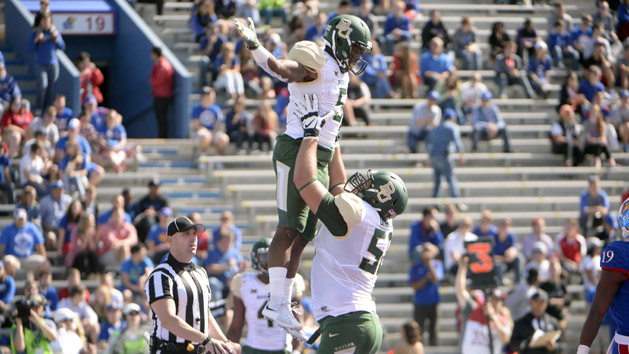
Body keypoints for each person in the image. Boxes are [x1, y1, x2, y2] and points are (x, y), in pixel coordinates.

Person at [234, 14, 373, 330]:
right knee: (287, 229)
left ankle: (281, 302)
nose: (356, 58)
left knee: (305, 234)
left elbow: (333, 135)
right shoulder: (316, 61)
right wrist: (255, 45)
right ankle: (277, 302)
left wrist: (340, 182)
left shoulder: (342, 74)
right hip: (296, 148)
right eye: (354, 50)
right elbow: (280, 70)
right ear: (339, 40)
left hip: (320, 154)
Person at [292, 97, 408, 351]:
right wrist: (333, 140)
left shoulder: (357, 215)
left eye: (367, 186)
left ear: (378, 195)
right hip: (358, 321)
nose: (360, 187)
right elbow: (338, 188)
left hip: (347, 323)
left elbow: (303, 179)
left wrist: (311, 135)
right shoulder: (376, 220)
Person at [145, 216, 240, 354]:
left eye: (194, 233)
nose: (193, 238)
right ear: (170, 240)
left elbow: (205, 314)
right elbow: (168, 320)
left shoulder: (200, 272)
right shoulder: (161, 275)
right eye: (185, 234)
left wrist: (226, 345)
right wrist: (206, 340)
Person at [226, 238, 306, 352]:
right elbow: (236, 327)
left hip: (282, 349)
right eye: (265, 258)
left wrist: (297, 351)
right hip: (253, 348)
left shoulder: (291, 282)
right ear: (255, 259)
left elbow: (298, 325)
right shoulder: (244, 283)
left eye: (275, 258)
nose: (270, 263)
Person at [456, 257, 513, 354]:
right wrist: (462, 267)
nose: (495, 303)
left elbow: (505, 338)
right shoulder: (474, 309)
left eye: (498, 300)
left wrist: (493, 317)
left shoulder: (503, 319)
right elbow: (460, 291)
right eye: (492, 299)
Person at [27, 12, 65, 112]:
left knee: (51, 89)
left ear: (50, 22)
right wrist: (36, 39)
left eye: (47, 21)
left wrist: (56, 39)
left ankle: (47, 109)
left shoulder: (54, 32)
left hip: (53, 65)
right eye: (43, 21)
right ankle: (39, 108)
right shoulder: (36, 33)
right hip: (41, 64)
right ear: (40, 22)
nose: (45, 23)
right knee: (43, 85)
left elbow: (62, 46)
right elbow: (29, 48)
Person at [427, 108, 465, 199]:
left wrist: (429, 158)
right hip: (444, 155)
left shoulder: (437, 128)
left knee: (437, 181)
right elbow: (457, 141)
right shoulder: (452, 127)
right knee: (451, 179)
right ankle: (456, 201)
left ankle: (435, 202)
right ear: (452, 118)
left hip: (434, 156)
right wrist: (462, 154)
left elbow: (429, 143)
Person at [409, 243, 442, 346]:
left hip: (434, 301)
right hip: (420, 302)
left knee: (434, 329)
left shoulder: (437, 263)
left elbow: (436, 279)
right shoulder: (415, 266)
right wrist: (425, 279)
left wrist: (430, 265)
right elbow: (413, 285)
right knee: (419, 330)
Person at [0, 208, 46, 272]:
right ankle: (9, 281)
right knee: (8, 262)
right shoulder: (7, 230)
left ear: (26, 218)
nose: (20, 220)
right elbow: (1, 248)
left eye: (22, 218)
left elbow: (40, 246)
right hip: (13, 258)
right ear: (14, 219)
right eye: (18, 218)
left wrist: (44, 259)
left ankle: (35, 281)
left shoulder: (32, 228)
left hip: (28, 258)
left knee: (45, 264)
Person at [133, 177, 168, 243]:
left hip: (159, 222)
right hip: (144, 223)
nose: (155, 189)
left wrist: (155, 213)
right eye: (153, 187)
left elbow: (166, 213)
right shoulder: (143, 200)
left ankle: (151, 242)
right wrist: (145, 213)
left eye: (156, 187)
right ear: (149, 188)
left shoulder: (163, 200)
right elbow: (138, 214)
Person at [149, 47, 173, 139]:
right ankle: (161, 137)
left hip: (163, 97)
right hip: (160, 95)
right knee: (160, 119)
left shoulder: (163, 66)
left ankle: (163, 138)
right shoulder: (159, 64)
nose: (150, 56)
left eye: (152, 53)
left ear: (155, 54)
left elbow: (155, 81)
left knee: (162, 119)